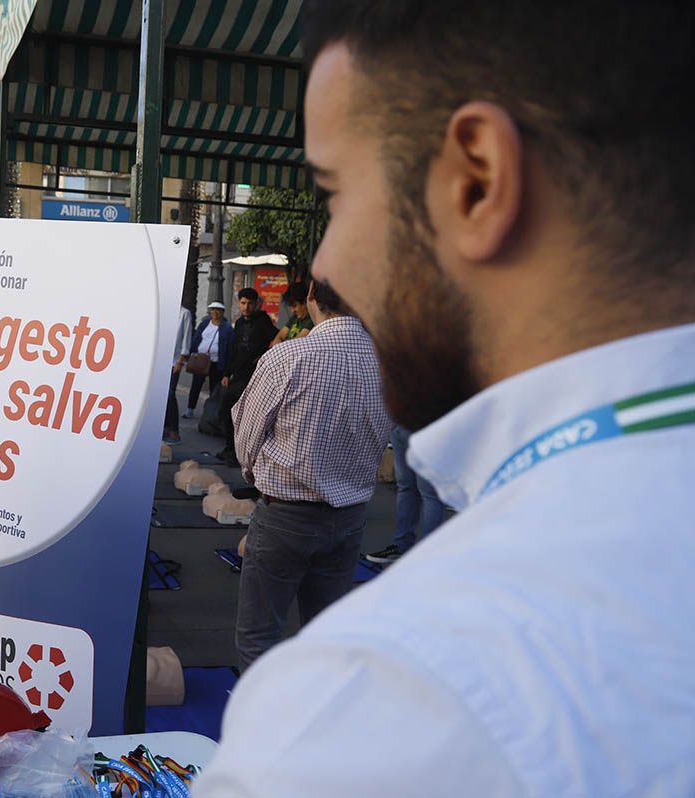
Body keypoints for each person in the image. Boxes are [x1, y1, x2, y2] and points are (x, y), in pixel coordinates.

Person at [197, 3, 695, 795]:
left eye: (334, 192)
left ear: (475, 181)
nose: (328, 256)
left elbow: (249, 428)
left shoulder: (380, 696)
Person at [230, 279, 391, 671]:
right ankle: (313, 723)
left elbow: (245, 440)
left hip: (286, 515)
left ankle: (265, 726)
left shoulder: (288, 357)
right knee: (325, 636)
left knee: (259, 637)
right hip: (350, 516)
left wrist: (264, 481)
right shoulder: (388, 365)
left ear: (313, 296)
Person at [365, 424, 444, 564]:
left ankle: (428, 553)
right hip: (401, 426)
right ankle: (402, 546)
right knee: (407, 487)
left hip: (424, 427)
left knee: (428, 494)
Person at [216, 288, 277, 467]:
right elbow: (234, 351)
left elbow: (277, 341)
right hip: (237, 376)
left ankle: (240, 455)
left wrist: (264, 356)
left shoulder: (264, 322)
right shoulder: (240, 323)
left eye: (250, 303)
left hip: (254, 379)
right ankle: (230, 448)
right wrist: (227, 373)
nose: (246, 307)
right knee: (227, 411)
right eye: (243, 303)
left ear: (256, 303)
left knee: (245, 417)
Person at [183, 301, 233, 418]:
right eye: (213, 310)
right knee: (196, 385)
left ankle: (211, 413)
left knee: (214, 389)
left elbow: (230, 348)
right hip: (201, 359)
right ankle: (190, 408)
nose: (215, 312)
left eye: (218, 310)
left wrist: (227, 369)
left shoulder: (227, 328)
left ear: (222, 312)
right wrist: (189, 353)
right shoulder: (204, 324)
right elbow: (196, 339)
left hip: (217, 362)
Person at [162, 306, 193, 445]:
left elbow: (186, 338)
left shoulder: (184, 314)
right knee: (161, 396)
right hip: (160, 361)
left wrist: (181, 361)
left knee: (170, 394)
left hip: (174, 361)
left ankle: (174, 430)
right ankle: (164, 427)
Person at [268, 283, 313, 348]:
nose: (292, 310)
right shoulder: (295, 318)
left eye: (294, 306)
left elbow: (296, 343)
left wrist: (282, 343)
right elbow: (278, 337)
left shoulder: (311, 320)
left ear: (304, 302)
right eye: (291, 307)